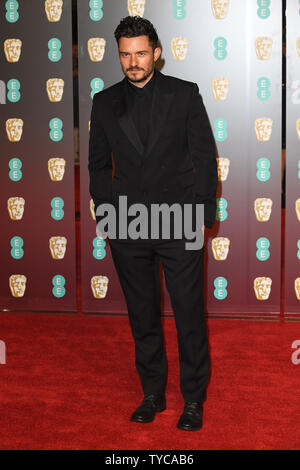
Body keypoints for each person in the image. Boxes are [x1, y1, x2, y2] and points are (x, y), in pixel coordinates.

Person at [88, 16, 218, 431]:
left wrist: (201, 216)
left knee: (188, 313)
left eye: (141, 52)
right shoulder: (104, 101)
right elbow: (95, 166)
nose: (133, 61)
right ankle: (153, 393)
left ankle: (193, 399)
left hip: (179, 221)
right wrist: (108, 215)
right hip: (128, 225)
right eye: (125, 54)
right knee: (141, 314)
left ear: (156, 53)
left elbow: (204, 159)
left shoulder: (185, 94)